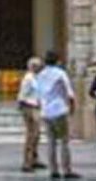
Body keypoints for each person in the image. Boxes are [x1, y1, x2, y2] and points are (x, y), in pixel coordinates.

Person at [35, 50, 79, 180]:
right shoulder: (60, 73)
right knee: (64, 142)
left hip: (46, 111)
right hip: (59, 110)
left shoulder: (40, 74)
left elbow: (38, 94)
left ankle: (53, 170)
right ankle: (67, 170)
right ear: (57, 61)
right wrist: (72, 108)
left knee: (51, 142)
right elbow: (69, 93)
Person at [17, 56, 46, 173]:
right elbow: (23, 93)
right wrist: (21, 105)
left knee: (37, 134)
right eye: (38, 66)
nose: (40, 68)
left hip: (36, 107)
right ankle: (27, 162)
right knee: (31, 135)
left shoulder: (36, 77)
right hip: (29, 107)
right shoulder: (28, 78)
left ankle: (34, 158)